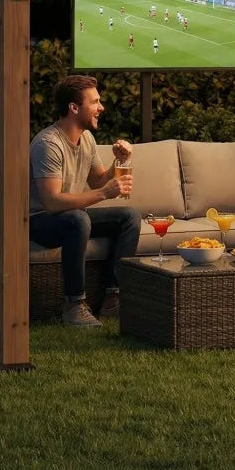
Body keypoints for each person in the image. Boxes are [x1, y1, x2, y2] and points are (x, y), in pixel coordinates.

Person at [29, 75, 141, 327]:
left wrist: (119, 161)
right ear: (74, 107)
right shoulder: (48, 144)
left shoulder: (86, 138)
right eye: (95, 102)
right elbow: (51, 202)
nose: (101, 107)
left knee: (129, 217)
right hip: (38, 220)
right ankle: (73, 304)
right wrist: (104, 194)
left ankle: (113, 299)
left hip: (70, 216)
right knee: (78, 219)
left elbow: (98, 181)